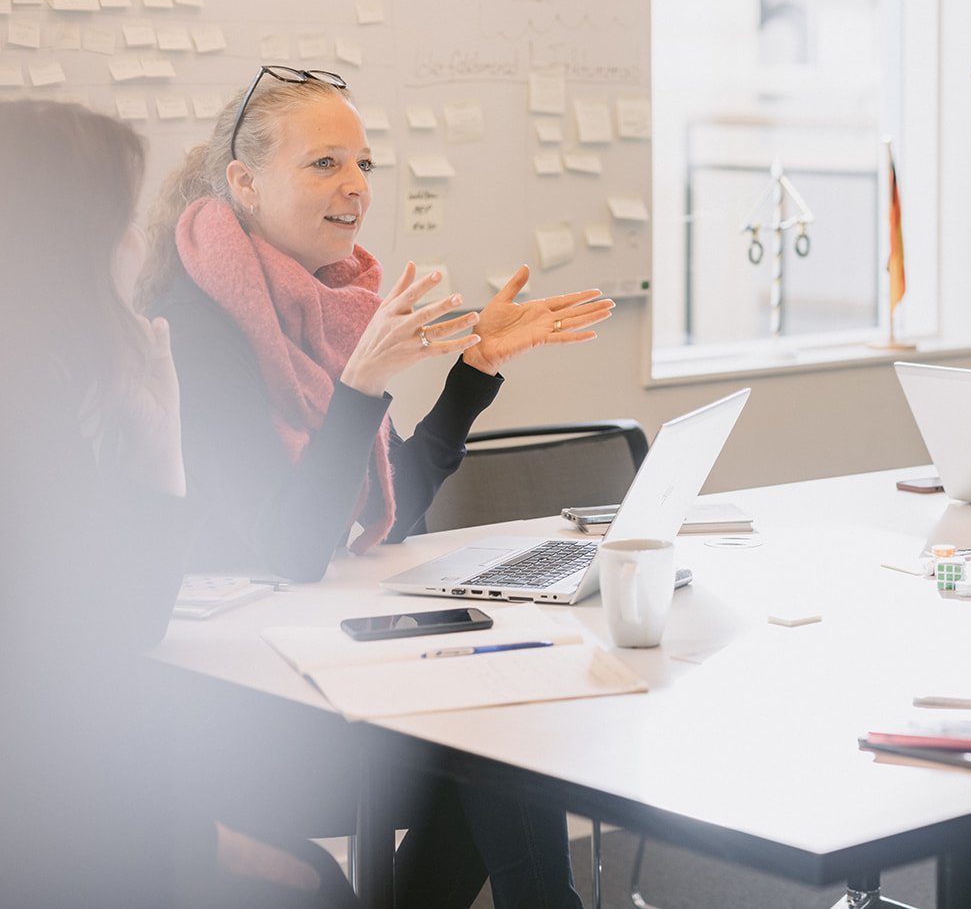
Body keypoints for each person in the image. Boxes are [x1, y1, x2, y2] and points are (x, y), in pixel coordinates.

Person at [139, 66, 613, 908]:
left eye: (364, 163)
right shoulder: (194, 324)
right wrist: (361, 386)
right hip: (244, 714)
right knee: (497, 732)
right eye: (325, 163)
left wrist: (472, 374)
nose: (355, 186)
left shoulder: (332, 303)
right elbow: (292, 546)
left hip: (329, 660)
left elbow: (386, 513)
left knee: (502, 726)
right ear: (243, 184)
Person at [0, 98, 355, 907]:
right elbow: (58, 690)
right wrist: (192, 833)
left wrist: (156, 447)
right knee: (319, 881)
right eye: (325, 161)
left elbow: (109, 629)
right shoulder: (39, 415)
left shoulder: (45, 395)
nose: (136, 241)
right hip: (61, 825)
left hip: (82, 790)